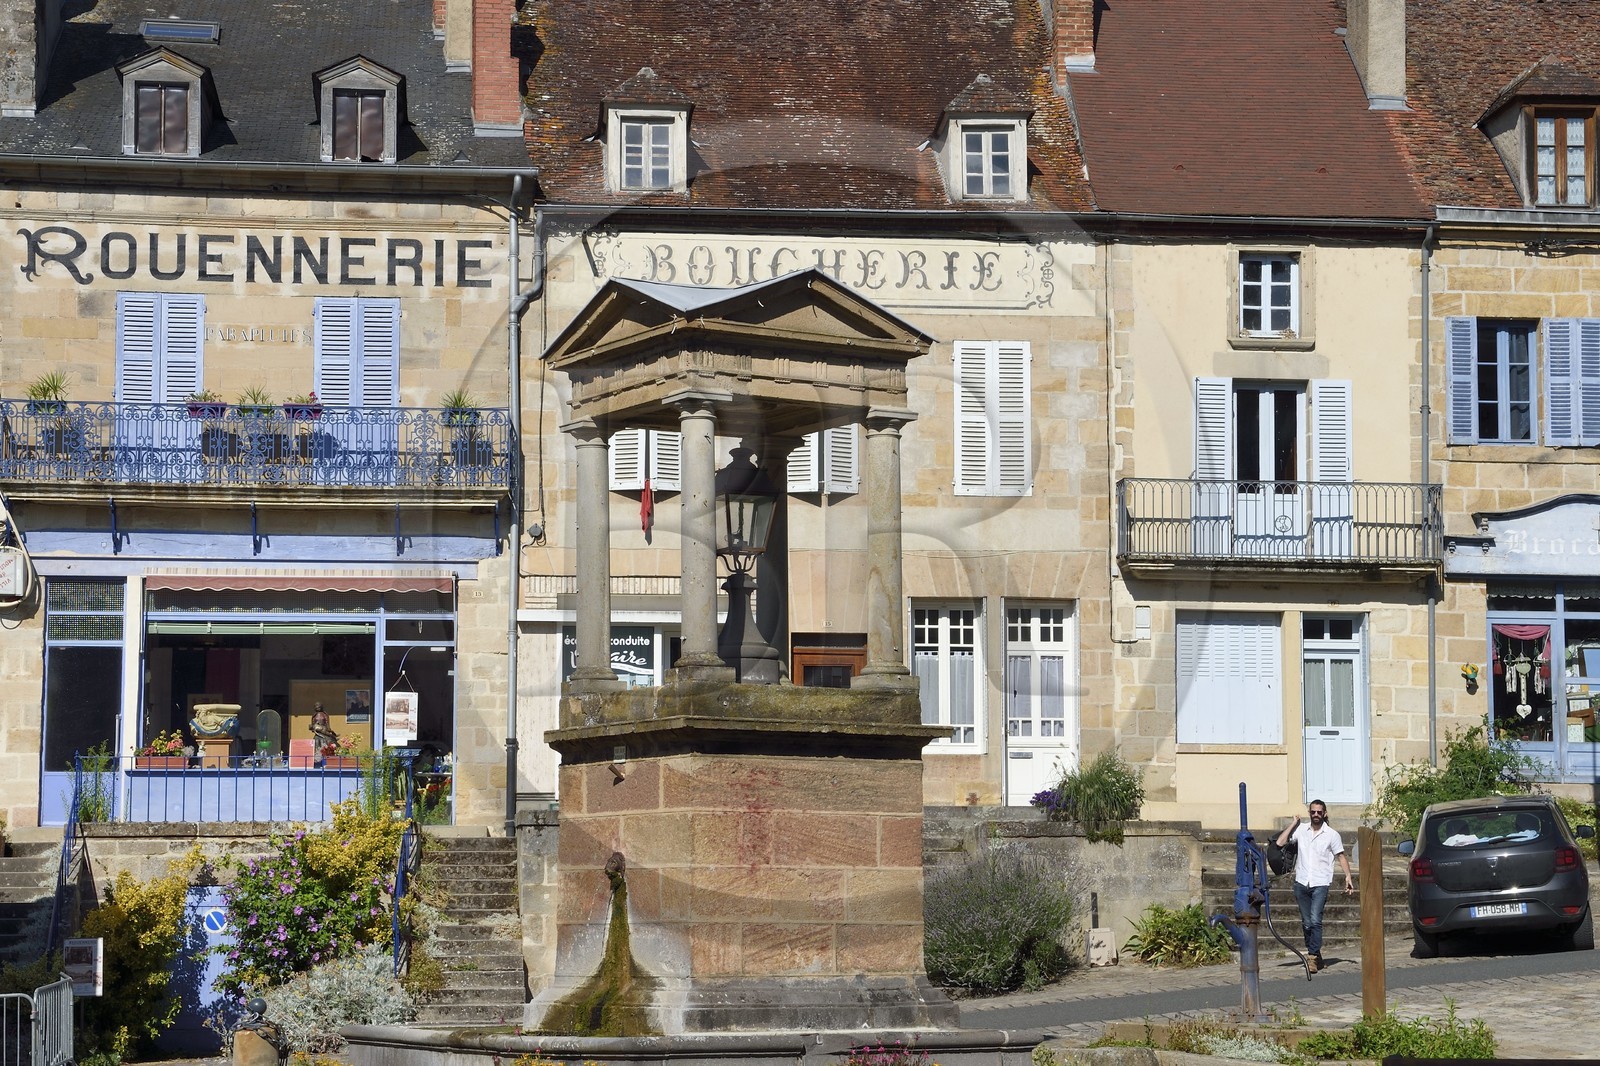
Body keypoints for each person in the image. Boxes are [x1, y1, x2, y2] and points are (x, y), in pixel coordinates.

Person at [1275, 800, 1354, 974]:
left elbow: (1341, 856)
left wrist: (1348, 876)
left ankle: (1311, 957)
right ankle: (1317, 955)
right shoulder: (1301, 830)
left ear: (1324, 813)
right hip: (1302, 882)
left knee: (1315, 920)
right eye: (1313, 812)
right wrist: (1294, 823)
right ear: (1309, 813)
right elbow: (1280, 843)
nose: (1316, 815)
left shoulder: (1332, 835)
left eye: (1319, 812)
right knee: (1307, 923)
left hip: (1320, 883)